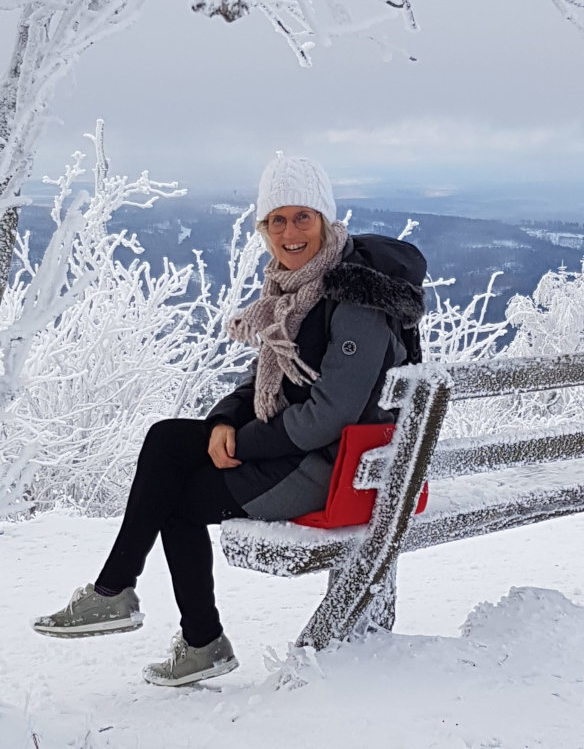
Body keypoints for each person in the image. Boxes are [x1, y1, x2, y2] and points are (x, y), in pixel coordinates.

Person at [33, 154, 426, 686]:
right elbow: (265, 379)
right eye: (277, 221)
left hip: (334, 467)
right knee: (168, 440)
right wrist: (224, 422)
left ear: (328, 221)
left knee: (175, 498)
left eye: (302, 218)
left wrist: (241, 443)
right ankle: (120, 593)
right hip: (309, 450)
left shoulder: (355, 297)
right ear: (264, 229)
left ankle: (191, 636)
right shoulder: (295, 289)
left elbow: (329, 416)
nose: (290, 233)